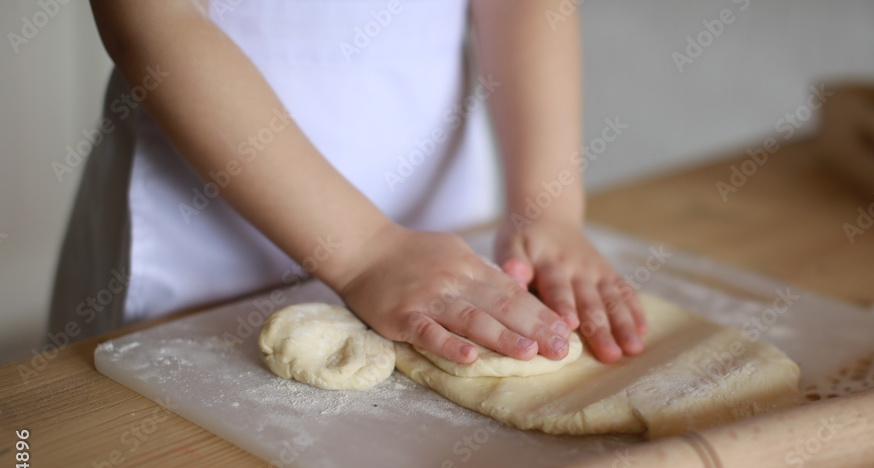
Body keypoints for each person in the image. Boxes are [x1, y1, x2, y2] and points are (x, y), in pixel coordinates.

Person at [49, 0, 646, 366]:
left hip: (438, 213)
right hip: (203, 220)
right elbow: (152, 18)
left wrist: (547, 205)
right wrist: (363, 251)